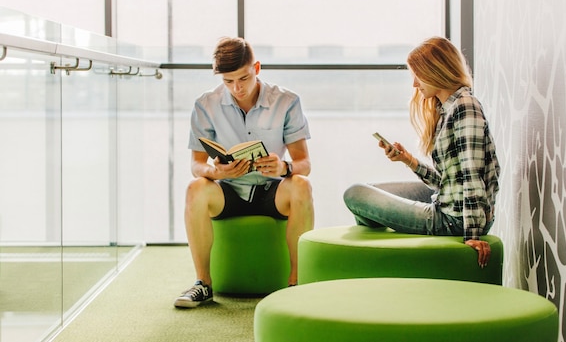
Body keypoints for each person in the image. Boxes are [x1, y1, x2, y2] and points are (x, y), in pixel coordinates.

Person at [174, 37, 314, 308]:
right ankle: (203, 284)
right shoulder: (206, 104)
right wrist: (217, 173)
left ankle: (296, 283)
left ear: (257, 68)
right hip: (228, 191)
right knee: (195, 188)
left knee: (302, 184)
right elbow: (196, 166)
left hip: (271, 190)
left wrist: (283, 167)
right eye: (228, 81)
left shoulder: (286, 101)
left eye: (243, 78)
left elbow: (304, 163)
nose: (237, 88)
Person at [343, 36, 500, 268]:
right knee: (370, 191)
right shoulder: (447, 109)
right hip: (449, 202)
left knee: (354, 194)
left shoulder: (465, 107)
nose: (415, 84)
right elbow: (447, 181)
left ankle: (378, 262)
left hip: (453, 220)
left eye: (418, 75)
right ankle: (382, 251)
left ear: (436, 71)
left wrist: (473, 236)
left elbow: (472, 174)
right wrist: (408, 160)